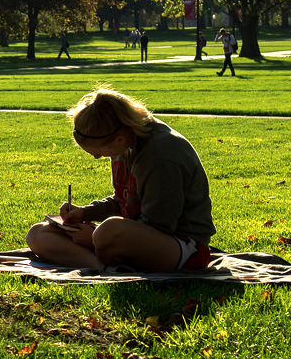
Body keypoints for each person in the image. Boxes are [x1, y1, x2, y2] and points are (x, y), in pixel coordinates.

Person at [25, 85, 217, 272]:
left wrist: (93, 237)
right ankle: (105, 268)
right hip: (131, 236)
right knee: (38, 234)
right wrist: (85, 213)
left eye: (99, 152)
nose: (97, 157)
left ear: (119, 139)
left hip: (183, 247)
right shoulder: (124, 140)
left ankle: (105, 256)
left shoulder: (161, 155)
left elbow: (158, 225)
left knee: (108, 232)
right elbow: (125, 201)